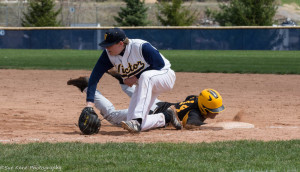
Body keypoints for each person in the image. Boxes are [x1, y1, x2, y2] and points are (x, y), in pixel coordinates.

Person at [85, 27, 178, 133]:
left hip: (164, 76)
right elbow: (94, 77)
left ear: (120, 43)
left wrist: (135, 77)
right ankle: (166, 117)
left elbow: (159, 64)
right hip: (145, 84)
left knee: (145, 77)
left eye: (109, 45)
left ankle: (137, 121)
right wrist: (89, 103)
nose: (107, 48)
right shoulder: (108, 55)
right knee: (130, 122)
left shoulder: (140, 46)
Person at [68, 76, 225, 130]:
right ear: (203, 108)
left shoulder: (195, 99)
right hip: (152, 114)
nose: (216, 113)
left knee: (137, 92)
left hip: (159, 103)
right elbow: (192, 124)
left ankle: (122, 78)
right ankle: (88, 86)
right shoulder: (195, 114)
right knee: (111, 115)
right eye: (214, 110)